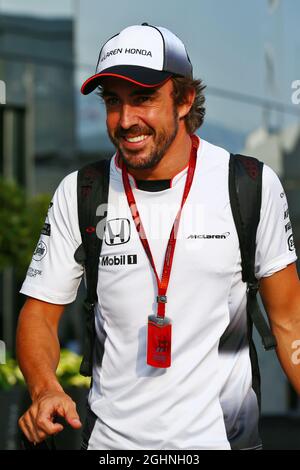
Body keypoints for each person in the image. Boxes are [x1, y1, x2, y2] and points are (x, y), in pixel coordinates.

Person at [17, 23, 300, 450]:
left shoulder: (248, 184)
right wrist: (45, 389)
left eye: (143, 98)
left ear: (184, 99)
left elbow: (290, 321)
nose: (126, 120)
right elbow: (39, 315)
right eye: (113, 101)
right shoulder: (82, 191)